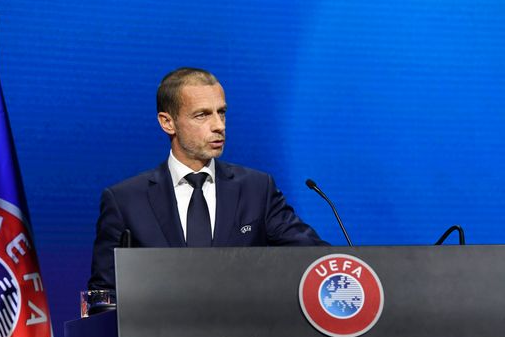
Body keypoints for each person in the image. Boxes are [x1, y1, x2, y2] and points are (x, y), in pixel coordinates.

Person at [88, 67, 328, 290]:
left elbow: (313, 257)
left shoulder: (257, 189)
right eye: (202, 115)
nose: (219, 125)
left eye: (221, 112)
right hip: (160, 334)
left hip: (242, 333)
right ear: (167, 122)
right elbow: (104, 295)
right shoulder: (126, 201)